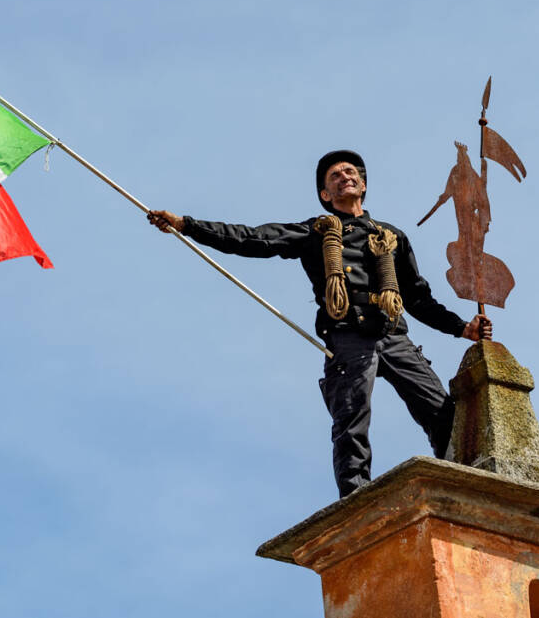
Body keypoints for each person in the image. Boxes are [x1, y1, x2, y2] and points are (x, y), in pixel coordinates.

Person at [147, 150, 491, 498]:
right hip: (347, 337)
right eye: (335, 177)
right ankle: (356, 499)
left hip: (392, 334)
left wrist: (462, 328)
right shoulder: (316, 231)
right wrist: (187, 225)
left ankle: (462, 484)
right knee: (352, 419)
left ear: (364, 184)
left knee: (442, 411)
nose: (345, 176)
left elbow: (417, 298)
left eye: (350, 172)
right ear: (326, 195)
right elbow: (253, 238)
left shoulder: (392, 237)